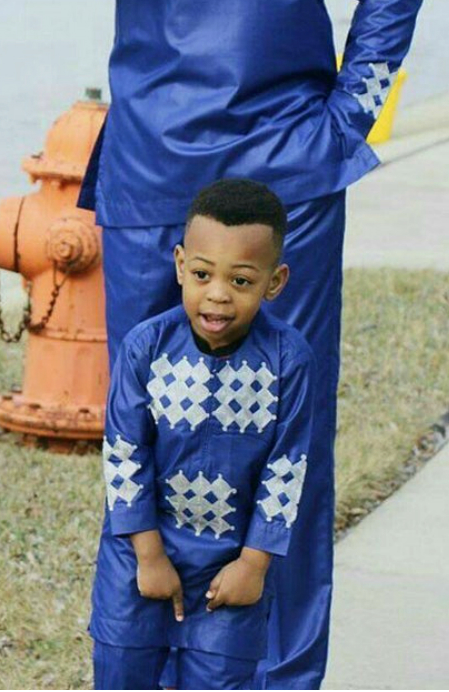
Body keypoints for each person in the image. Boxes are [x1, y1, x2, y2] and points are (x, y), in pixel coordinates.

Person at [14, 0, 427, 687]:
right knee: (138, 439)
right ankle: (133, 666)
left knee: (284, 441)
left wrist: (346, 121)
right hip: (153, 173)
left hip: (289, 172)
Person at [91, 179, 314, 691]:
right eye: (201, 274)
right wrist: (148, 555)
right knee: (122, 671)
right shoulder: (146, 347)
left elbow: (287, 469)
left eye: (240, 281)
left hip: (230, 564)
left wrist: (254, 564)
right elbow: (124, 454)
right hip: (140, 549)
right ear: (178, 266)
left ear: (274, 282)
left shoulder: (289, 360)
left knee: (221, 679)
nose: (217, 294)